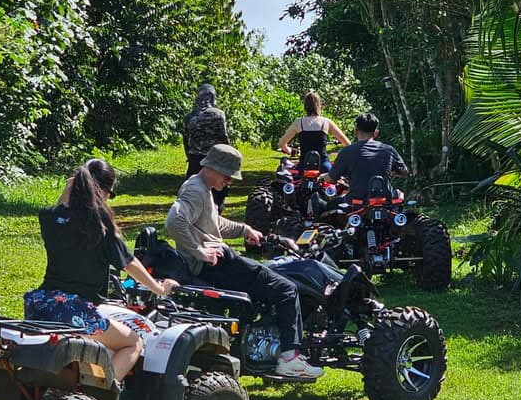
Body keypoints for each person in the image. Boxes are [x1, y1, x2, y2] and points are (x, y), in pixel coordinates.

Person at [165, 144, 323, 380]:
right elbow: (173, 221)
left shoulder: (200, 187)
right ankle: (290, 358)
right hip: (217, 264)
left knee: (269, 284)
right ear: (214, 168)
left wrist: (245, 229)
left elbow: (213, 223)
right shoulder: (196, 190)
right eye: (228, 176)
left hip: (215, 262)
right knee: (286, 289)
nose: (229, 182)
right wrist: (198, 250)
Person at [24, 158, 178, 383]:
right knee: (132, 342)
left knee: (108, 334)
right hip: (74, 314)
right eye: (109, 194)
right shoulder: (99, 226)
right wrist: (158, 288)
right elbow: (129, 263)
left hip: (41, 305)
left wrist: (70, 190)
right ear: (103, 191)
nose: (108, 200)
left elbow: (58, 210)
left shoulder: (49, 219)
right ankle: (100, 399)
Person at [321, 112, 408, 201]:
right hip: (385, 201)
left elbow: (331, 179)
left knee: (329, 206)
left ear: (356, 132)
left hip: (356, 202)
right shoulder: (389, 150)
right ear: (376, 133)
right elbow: (403, 171)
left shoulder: (347, 151)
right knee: (399, 194)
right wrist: (390, 172)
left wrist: (322, 177)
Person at [183, 83, 230, 211]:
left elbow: (186, 141)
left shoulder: (189, 117)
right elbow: (224, 138)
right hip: (215, 161)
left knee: (193, 193)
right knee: (217, 195)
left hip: (195, 161)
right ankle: (216, 221)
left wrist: (189, 156)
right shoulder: (219, 115)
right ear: (213, 97)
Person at [278, 91, 350, 173]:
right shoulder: (326, 122)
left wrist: (289, 150)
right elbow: (347, 144)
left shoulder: (298, 122)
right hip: (323, 166)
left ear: (305, 106)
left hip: (303, 167)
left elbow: (281, 143)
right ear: (319, 106)